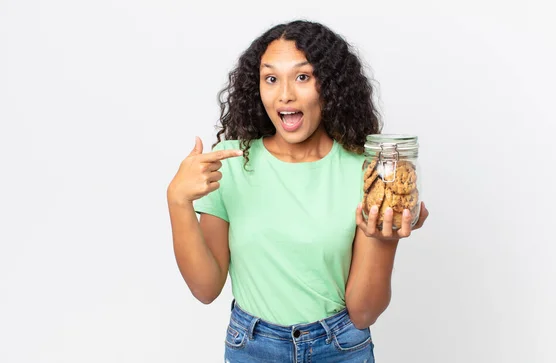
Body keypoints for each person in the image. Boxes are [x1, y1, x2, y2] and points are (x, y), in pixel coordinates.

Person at [167, 20, 429, 363]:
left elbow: (363, 313)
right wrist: (178, 200)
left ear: (331, 86)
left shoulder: (364, 172)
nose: (285, 94)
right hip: (252, 348)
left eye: (303, 77)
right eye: (271, 78)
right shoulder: (231, 162)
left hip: (340, 348)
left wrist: (384, 236)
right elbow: (205, 289)